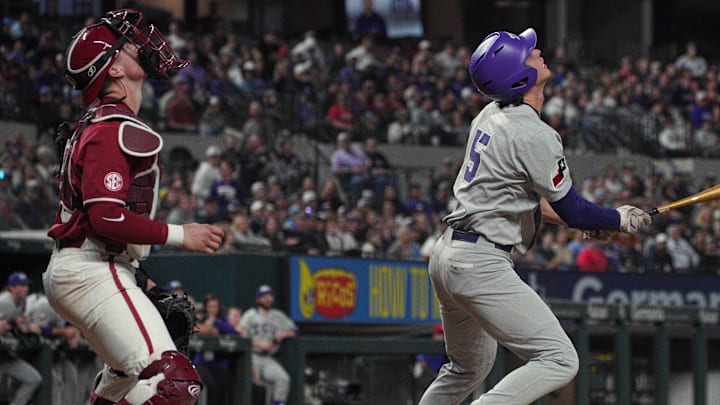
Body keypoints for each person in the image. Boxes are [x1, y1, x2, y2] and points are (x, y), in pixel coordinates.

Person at [419, 28, 651, 405]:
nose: (537, 50)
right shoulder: (534, 133)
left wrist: (594, 222)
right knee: (560, 359)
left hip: (449, 255)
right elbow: (572, 207)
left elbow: (530, 201)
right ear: (520, 77)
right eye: (528, 54)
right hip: (480, 262)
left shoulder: (490, 114)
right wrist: (617, 218)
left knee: (467, 367)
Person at [43, 9, 224, 405]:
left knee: (125, 380)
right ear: (113, 70)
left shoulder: (101, 121)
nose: (138, 45)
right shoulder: (114, 128)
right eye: (124, 46)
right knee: (175, 384)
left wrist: (141, 282)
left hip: (97, 266)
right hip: (90, 270)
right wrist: (181, 235)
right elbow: (106, 219)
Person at [238, 285, 297, 405]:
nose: (268, 299)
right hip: (251, 356)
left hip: (267, 358)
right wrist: (259, 344)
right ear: (258, 299)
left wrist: (283, 334)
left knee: (283, 378)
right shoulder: (250, 315)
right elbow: (239, 331)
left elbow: (295, 331)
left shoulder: (278, 315)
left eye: (270, 296)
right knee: (253, 384)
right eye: (264, 296)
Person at [0, 272, 43, 405]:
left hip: (6, 356)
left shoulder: (22, 303)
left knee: (33, 379)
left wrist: (25, 327)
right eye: (21, 285)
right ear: (11, 288)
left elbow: (15, 326)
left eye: (26, 285)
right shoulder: (4, 301)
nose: (25, 288)